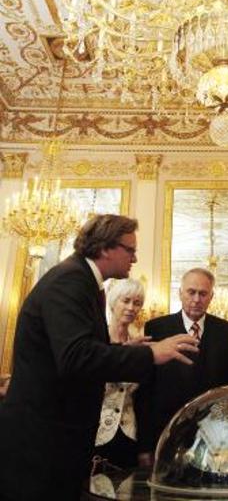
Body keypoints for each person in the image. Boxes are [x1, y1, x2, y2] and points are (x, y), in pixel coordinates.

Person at [0, 214, 198, 501]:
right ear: (105, 248)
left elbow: (83, 351)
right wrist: (149, 354)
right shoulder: (70, 281)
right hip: (41, 442)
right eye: (129, 250)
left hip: (57, 439)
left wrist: (125, 352)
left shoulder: (85, 282)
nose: (135, 257)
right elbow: (76, 357)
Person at [142, 267, 228, 449]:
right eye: (191, 292)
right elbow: (147, 390)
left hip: (216, 435)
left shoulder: (227, 331)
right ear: (180, 293)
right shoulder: (156, 328)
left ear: (211, 297)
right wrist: (146, 446)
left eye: (203, 294)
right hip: (167, 432)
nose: (196, 299)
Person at [94, 278, 154, 468]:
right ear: (113, 302)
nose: (131, 307)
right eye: (126, 300)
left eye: (137, 303)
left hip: (129, 434)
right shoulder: (96, 339)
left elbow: (144, 397)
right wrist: (123, 351)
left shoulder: (139, 343)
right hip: (95, 432)